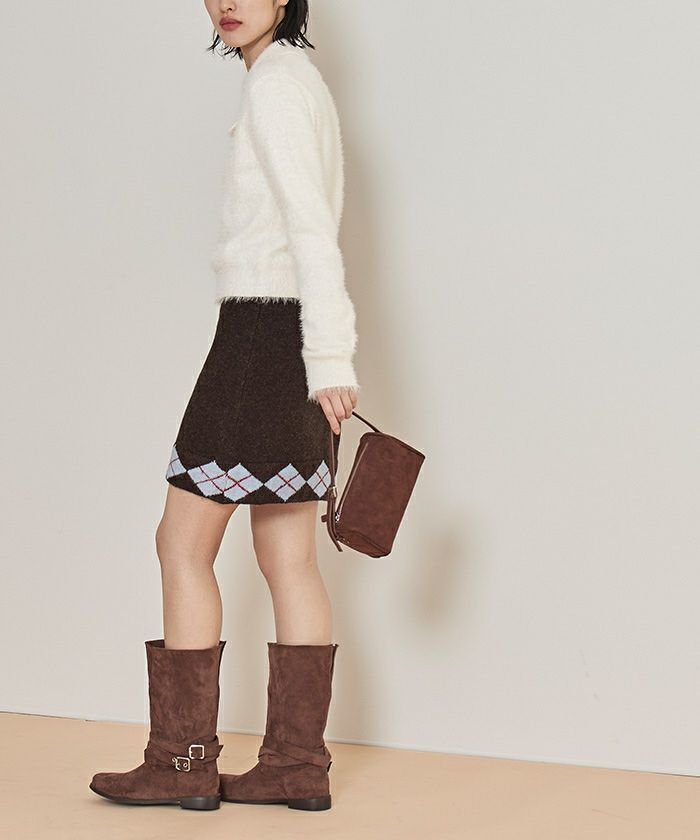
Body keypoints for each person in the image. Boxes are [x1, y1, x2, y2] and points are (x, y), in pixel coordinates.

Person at [89, 0, 359, 813]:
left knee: (180, 543)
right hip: (290, 341)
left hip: (261, 338)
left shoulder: (276, 85)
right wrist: (323, 356)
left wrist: (331, 355)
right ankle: (296, 766)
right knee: (289, 556)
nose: (228, 2)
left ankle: (182, 763)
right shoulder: (297, 79)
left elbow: (312, 230)